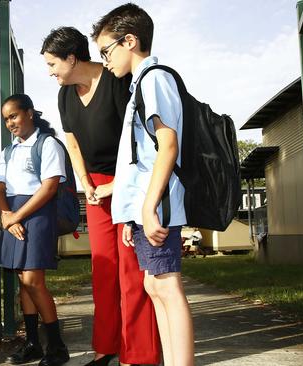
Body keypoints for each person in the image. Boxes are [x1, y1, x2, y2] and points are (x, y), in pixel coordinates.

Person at [41, 27, 159, 366]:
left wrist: (119, 182)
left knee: (131, 271)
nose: (50, 73)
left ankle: (139, 353)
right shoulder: (65, 95)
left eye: (52, 64)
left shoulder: (116, 80)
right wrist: (86, 183)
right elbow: (73, 144)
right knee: (103, 270)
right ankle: (107, 346)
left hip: (129, 180)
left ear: (72, 58)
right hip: (95, 187)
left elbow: (140, 139)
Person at [91, 3, 195, 365]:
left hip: (158, 204)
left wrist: (148, 208)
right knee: (153, 284)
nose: (104, 61)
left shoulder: (154, 78)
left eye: (106, 51)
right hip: (144, 206)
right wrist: (132, 212)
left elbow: (167, 144)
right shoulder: (139, 84)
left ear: (130, 41)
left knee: (166, 285)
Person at [0, 94, 69, 366]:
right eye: (6, 119)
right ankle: (33, 344)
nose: (9, 123)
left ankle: (57, 348)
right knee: (22, 283)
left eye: (13, 116)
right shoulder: (8, 150)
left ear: (29, 113)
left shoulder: (48, 144)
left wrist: (16, 216)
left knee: (33, 282)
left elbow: (49, 188)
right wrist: (6, 215)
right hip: (13, 214)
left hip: (37, 214)